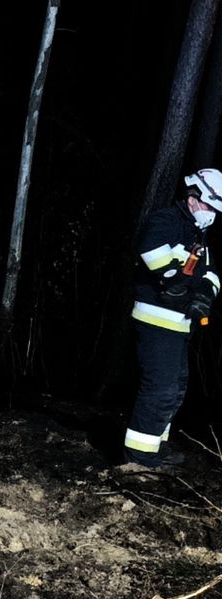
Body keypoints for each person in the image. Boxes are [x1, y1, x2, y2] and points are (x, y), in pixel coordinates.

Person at [124, 168, 222, 470]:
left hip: (179, 326)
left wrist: (205, 293)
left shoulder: (198, 234)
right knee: (160, 390)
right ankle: (138, 461)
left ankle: (154, 448)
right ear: (194, 197)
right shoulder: (167, 221)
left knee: (175, 389)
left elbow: (211, 273)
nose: (212, 214)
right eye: (209, 205)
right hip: (156, 321)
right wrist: (173, 282)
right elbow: (151, 251)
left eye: (217, 210)